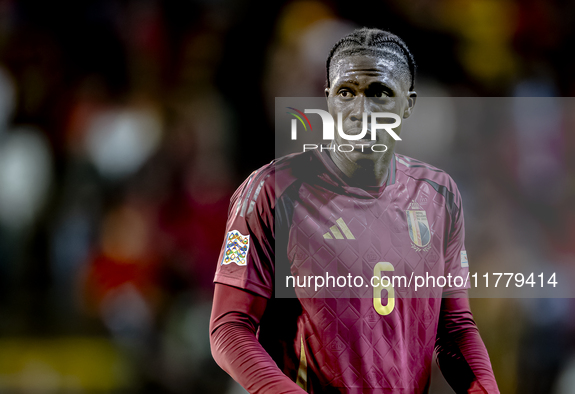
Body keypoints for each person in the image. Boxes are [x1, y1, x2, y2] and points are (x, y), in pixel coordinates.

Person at [210, 27, 499, 393]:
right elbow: (229, 326)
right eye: (347, 93)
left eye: (379, 93)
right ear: (329, 98)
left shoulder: (439, 195)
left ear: (408, 103)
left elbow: (455, 328)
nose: (361, 110)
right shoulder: (273, 190)